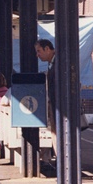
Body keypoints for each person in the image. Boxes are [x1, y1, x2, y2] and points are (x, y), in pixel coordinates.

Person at [35, 38, 57, 175]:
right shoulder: (51, 64)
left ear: (47, 49)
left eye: (39, 51)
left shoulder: (58, 63)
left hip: (59, 108)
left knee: (57, 134)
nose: (37, 55)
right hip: (54, 106)